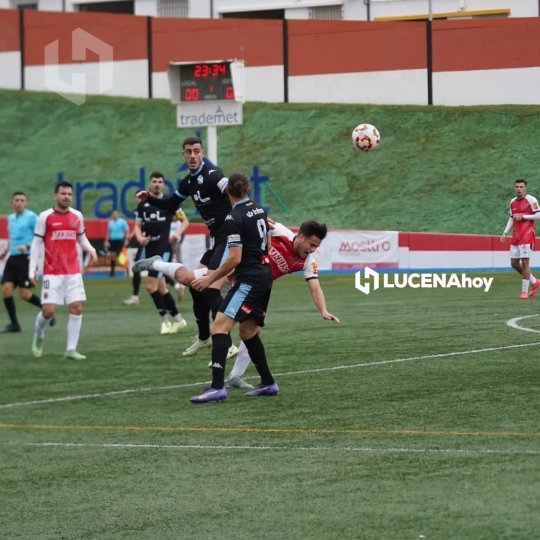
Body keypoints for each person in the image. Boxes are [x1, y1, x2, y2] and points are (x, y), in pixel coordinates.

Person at [136, 136, 238, 360]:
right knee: (195, 286)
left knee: (209, 287)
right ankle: (204, 337)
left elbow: (234, 195)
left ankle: (227, 342)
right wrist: (149, 198)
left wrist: (244, 222)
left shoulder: (213, 174)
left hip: (228, 238)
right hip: (217, 239)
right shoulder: (188, 182)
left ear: (202, 153)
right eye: (188, 152)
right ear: (183, 155)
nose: (192, 155)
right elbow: (171, 204)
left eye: (196, 151)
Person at [190, 171, 279, 403]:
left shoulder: (232, 218)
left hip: (249, 280)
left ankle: (217, 387)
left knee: (219, 328)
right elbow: (266, 246)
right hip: (262, 275)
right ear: (248, 190)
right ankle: (268, 383)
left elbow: (234, 258)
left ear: (227, 191)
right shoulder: (259, 209)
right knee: (247, 331)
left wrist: (210, 279)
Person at [226, 219, 339, 388]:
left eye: (316, 247)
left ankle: (235, 376)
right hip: (238, 275)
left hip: (258, 288)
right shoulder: (280, 231)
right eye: (312, 244)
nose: (313, 250)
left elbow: (315, 288)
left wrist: (323, 310)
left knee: (253, 330)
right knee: (201, 284)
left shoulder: (307, 261)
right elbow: (255, 218)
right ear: (300, 237)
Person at [28, 181, 97, 359]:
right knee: (48, 311)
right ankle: (39, 335)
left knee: (76, 307)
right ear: (55, 195)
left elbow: (81, 238)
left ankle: (71, 350)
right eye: (63, 193)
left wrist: (90, 249)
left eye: (69, 194)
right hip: (52, 272)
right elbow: (36, 244)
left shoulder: (77, 216)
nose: (66, 197)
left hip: (73, 271)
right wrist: (32, 268)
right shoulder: (45, 217)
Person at [134, 171, 189, 334]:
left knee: (150, 286)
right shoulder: (142, 204)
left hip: (163, 249)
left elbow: (185, 221)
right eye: (154, 181)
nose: (157, 184)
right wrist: (139, 237)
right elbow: (137, 226)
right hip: (150, 248)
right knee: (162, 288)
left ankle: (165, 321)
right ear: (150, 184)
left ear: (163, 184)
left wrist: (177, 234)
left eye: (160, 181)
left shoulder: (169, 203)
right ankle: (179, 320)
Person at [0, 192, 55, 333]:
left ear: (26, 203)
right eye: (16, 200)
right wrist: (5, 251)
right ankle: (14, 324)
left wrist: (28, 246)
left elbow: (42, 236)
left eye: (22, 200)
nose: (19, 203)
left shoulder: (32, 217)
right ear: (12, 203)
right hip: (12, 259)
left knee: (24, 294)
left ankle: (47, 311)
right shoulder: (11, 218)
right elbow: (11, 238)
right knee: (6, 290)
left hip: (27, 259)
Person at [501, 179, 540, 299]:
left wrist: (524, 216)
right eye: (517, 187)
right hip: (516, 236)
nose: (519, 189)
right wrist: (505, 232)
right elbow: (512, 218)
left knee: (525, 262)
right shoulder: (512, 202)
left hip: (527, 236)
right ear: (514, 188)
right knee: (513, 263)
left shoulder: (531, 200)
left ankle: (524, 291)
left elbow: (539, 215)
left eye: (521, 187)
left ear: (525, 188)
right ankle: (534, 281)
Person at [104, 209, 129, 278]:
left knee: (122, 256)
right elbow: (108, 232)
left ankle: (127, 271)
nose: (114, 215)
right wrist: (106, 241)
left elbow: (127, 231)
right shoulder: (110, 223)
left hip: (120, 240)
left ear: (118, 214)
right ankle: (112, 272)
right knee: (112, 256)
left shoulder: (122, 222)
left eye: (116, 213)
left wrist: (126, 239)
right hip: (112, 240)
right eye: (113, 213)